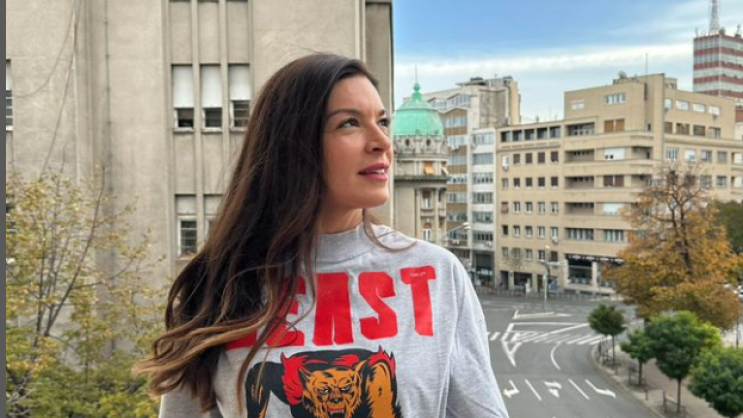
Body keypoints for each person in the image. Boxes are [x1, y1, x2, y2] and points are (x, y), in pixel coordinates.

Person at [136, 53, 509, 418]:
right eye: (350, 123)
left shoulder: (436, 274)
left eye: (382, 122)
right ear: (292, 144)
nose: (382, 142)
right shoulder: (220, 285)